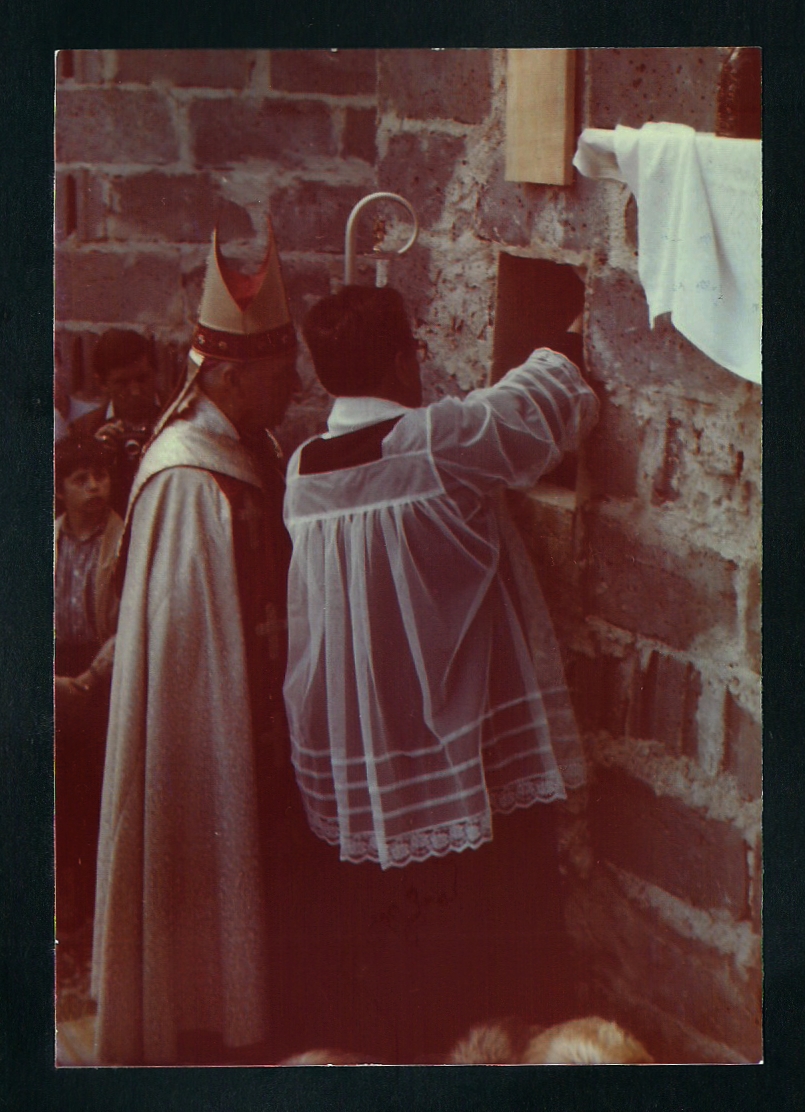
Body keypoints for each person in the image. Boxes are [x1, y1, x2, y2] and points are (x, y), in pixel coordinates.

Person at [281, 285, 600, 1062]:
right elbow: (546, 406)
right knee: (488, 933)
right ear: (402, 360)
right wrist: (572, 328)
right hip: (459, 734)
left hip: (373, 741)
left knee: (407, 942)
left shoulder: (303, 470)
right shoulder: (430, 440)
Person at [91, 223, 302, 1065]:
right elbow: (182, 658)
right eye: (281, 376)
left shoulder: (253, 447)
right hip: (207, 739)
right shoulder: (187, 478)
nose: (294, 389)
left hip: (262, 723)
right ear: (230, 377)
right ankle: (196, 1020)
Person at [54, 435, 123, 932]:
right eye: (81, 479)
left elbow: (131, 617)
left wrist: (92, 677)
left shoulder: (122, 540)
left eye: (100, 476)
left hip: (103, 677)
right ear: (61, 490)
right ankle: (67, 910)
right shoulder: (46, 539)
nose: (94, 487)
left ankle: (103, 911)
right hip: (57, 677)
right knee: (62, 795)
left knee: (100, 794)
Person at [69, 329, 162, 515]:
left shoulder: (180, 418)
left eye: (142, 379)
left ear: (155, 373)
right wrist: (94, 456)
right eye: (122, 383)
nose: (135, 391)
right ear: (102, 383)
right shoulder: (83, 430)